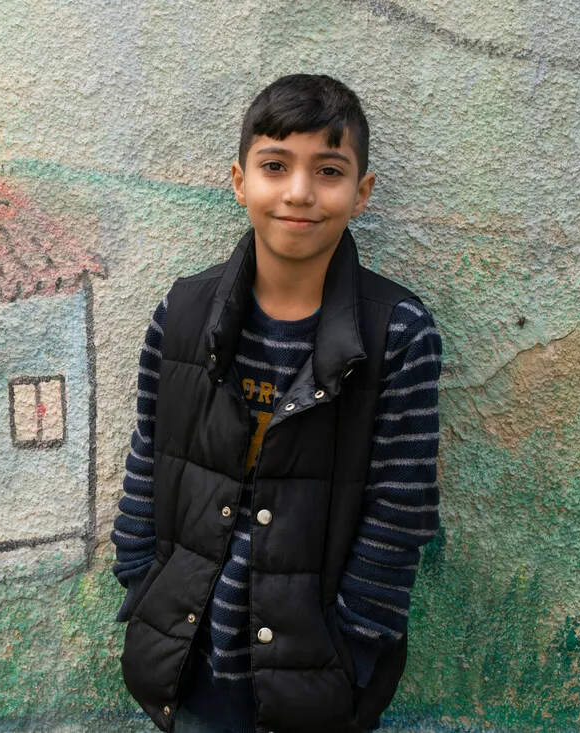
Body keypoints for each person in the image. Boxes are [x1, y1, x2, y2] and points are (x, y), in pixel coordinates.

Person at [109, 74, 443, 733]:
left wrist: (352, 643)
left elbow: (401, 509)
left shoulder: (398, 334)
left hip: (318, 680)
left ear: (361, 192)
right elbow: (150, 452)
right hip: (185, 662)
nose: (299, 191)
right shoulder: (183, 313)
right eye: (274, 165)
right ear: (239, 181)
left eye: (328, 169)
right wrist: (140, 577)